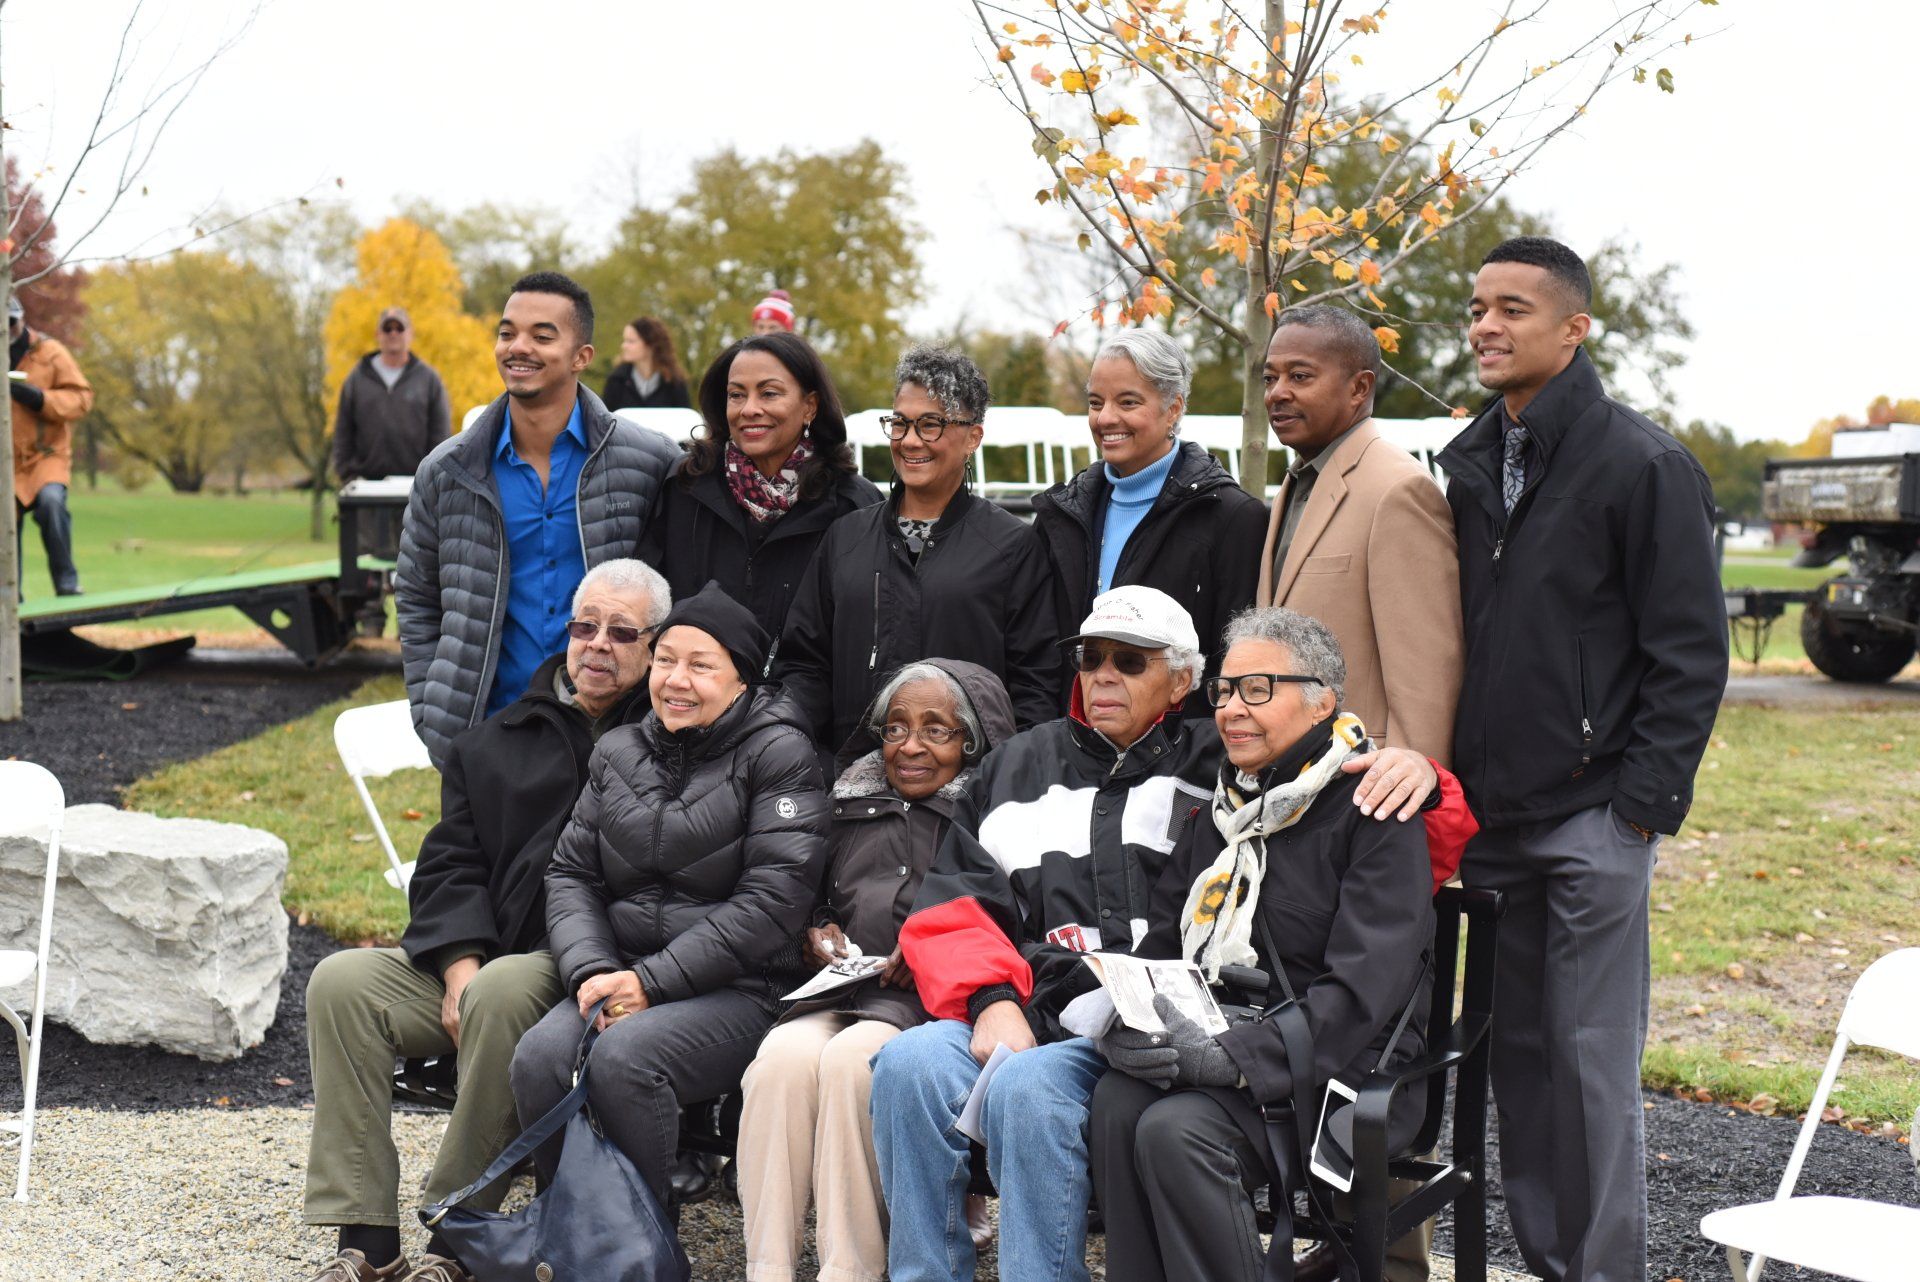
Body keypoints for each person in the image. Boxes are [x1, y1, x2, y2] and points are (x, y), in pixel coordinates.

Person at [1436, 236, 1727, 1282]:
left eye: (1513, 308)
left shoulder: (1642, 464)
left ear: (1575, 327)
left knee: (1589, 1067)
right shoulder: (1469, 462)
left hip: (1596, 818)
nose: (1486, 326)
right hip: (1497, 821)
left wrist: (1638, 812)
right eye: (1478, 307)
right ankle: (1549, 1261)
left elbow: (1690, 655)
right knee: (1518, 1065)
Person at [301, 559, 670, 1282]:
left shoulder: (667, 746)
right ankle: (366, 1235)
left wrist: (483, 980)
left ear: (655, 647)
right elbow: (447, 866)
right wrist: (457, 962)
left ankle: (458, 1230)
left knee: (502, 990)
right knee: (342, 981)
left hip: (580, 968)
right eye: (584, 626)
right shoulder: (497, 740)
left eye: (622, 632)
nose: (597, 644)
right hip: (484, 959)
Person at [1089, 607, 1474, 1282]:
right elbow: (1161, 942)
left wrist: (1236, 1057)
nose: (1233, 709)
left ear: (1323, 699)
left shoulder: (1375, 807)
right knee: (1119, 1104)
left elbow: (1364, 993)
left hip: (1342, 1068)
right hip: (1225, 1042)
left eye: (1258, 689)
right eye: (1227, 690)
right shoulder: (1224, 808)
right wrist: (1129, 1021)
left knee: (1178, 1134)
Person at [868, 585, 1217, 1282]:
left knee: (1030, 1087)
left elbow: (1350, 800)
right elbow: (950, 908)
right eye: (1090, 657)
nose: (1104, 674)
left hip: (1141, 1026)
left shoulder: (1221, 761)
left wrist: (1411, 767)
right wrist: (992, 995)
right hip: (1026, 1005)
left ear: (1180, 679)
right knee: (908, 1063)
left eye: (1130, 660)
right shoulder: (1014, 765)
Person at [510, 582, 829, 1221]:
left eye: (701, 665)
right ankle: (573, 1232)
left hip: (743, 988)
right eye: (665, 660)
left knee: (628, 1059)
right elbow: (571, 872)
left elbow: (772, 901)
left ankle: (643, 1245)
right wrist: (594, 971)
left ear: (742, 680)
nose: (675, 680)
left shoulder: (781, 753)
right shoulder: (620, 750)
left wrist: (650, 984)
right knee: (540, 1057)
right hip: (623, 971)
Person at [738, 659, 1016, 1282]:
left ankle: (851, 1269)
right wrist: (817, 932)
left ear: (972, 742)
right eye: (895, 728)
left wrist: (930, 950)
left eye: (936, 730)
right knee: (778, 1062)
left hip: (935, 1007)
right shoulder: (846, 804)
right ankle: (769, 1269)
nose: (910, 746)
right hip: (839, 990)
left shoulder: (988, 815)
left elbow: (1008, 916)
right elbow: (802, 892)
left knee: (851, 1063)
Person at [396, 271, 680, 769]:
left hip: (616, 737)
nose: (518, 347)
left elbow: (680, 591)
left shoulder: (650, 463)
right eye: (507, 333)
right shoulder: (447, 472)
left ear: (581, 357)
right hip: (485, 733)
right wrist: (432, 706)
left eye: (542, 336)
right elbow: (417, 597)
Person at [777, 345, 1060, 747]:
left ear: (973, 437)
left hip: (969, 788)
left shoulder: (1011, 546)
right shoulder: (846, 539)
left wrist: (1008, 774)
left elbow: (1036, 682)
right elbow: (804, 663)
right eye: (899, 423)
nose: (910, 441)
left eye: (930, 425)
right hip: (851, 780)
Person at [1257, 305, 1462, 763]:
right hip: (1294, 775)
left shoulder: (1398, 489)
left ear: (1359, 387)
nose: (1277, 394)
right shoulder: (1297, 482)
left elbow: (1426, 672)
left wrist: (1416, 790)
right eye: (1270, 379)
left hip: (1364, 781)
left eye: (1300, 377)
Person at [1032, 329, 1268, 713]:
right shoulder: (1062, 515)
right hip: (1068, 752)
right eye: (1095, 402)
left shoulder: (1231, 518)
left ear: (1173, 408)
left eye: (1128, 402)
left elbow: (1232, 665)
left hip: (1178, 761)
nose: (1106, 418)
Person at [640, 333, 881, 655]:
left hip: (806, 701)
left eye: (769, 393)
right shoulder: (684, 487)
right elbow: (648, 603)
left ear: (809, 406)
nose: (749, 409)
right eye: (736, 395)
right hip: (692, 693)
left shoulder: (855, 506)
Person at [9, 293, 94, 597]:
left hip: (47, 455)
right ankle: (10, 596)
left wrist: (41, 399)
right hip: (7, 463)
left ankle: (67, 583)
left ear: (22, 320)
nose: (7, 330)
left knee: (51, 503)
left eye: (11, 322)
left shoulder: (50, 352)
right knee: (5, 520)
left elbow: (82, 400)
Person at [331, 307, 453, 484]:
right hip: (365, 490)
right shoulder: (356, 380)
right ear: (377, 334)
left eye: (399, 328)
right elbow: (342, 433)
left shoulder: (429, 380)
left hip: (416, 489)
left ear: (410, 333)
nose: (393, 333)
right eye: (387, 329)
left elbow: (440, 435)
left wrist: (430, 479)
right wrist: (347, 475)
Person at [601, 315, 691, 412]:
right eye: (625, 340)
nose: (624, 346)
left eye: (631, 341)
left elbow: (684, 421)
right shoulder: (616, 380)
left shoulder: (675, 382)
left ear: (651, 344)